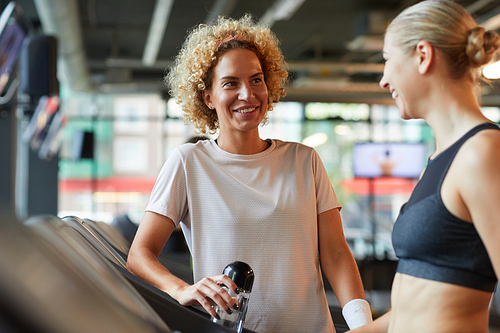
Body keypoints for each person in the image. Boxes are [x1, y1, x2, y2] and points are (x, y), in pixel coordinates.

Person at [126, 14, 372, 333]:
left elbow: (337, 254)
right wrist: (181, 289)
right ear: (208, 97)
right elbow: (139, 255)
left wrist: (363, 327)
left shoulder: (304, 160)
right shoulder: (188, 163)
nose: (248, 94)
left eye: (256, 79)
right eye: (231, 83)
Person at [349, 1, 500, 332]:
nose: (383, 80)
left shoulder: (483, 152)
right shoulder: (439, 159)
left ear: (422, 55)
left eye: (387, 60)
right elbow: (412, 309)